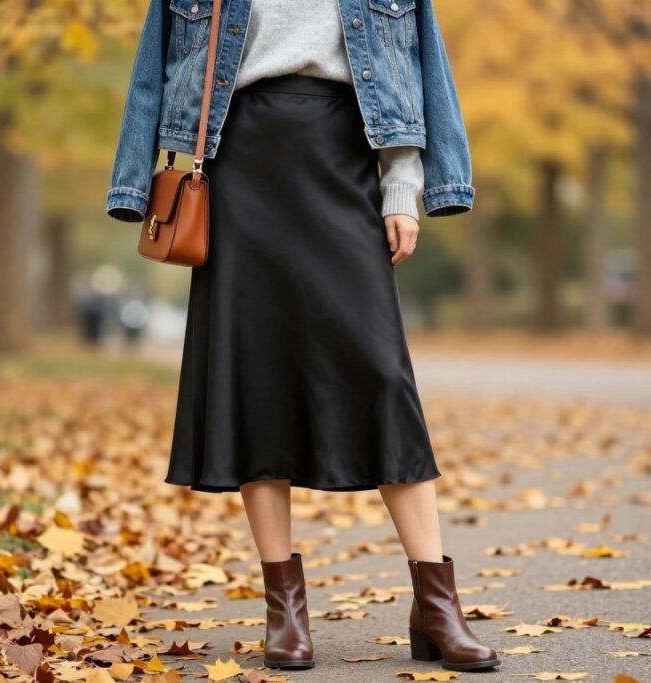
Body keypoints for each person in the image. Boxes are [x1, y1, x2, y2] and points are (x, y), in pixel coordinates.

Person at [105, 0, 499, 673]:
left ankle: (437, 603)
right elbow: (153, 69)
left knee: (382, 374)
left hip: (345, 158)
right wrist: (132, 182)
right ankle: (283, 607)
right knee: (257, 376)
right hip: (238, 168)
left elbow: (416, 65)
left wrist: (403, 188)